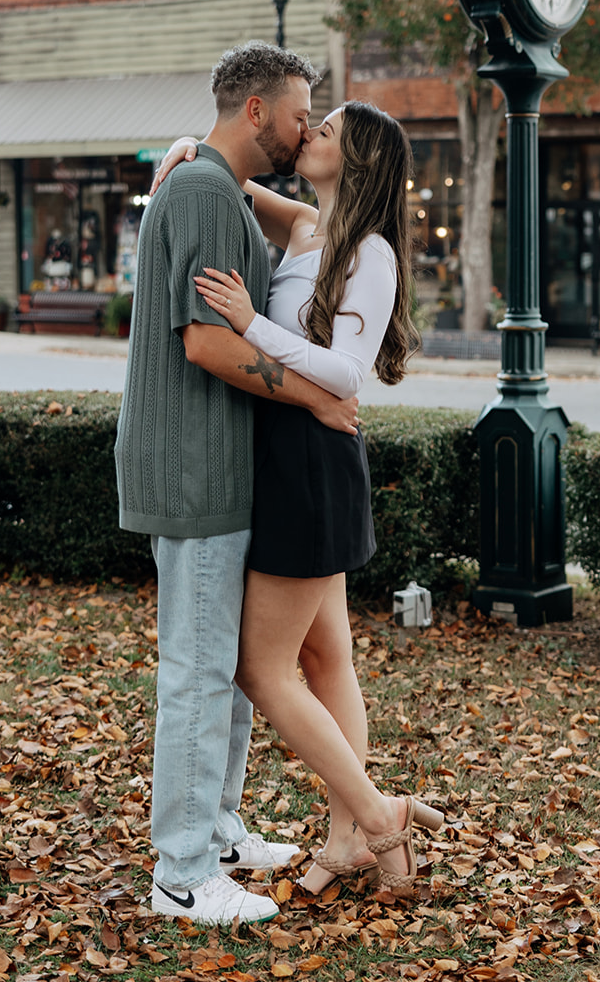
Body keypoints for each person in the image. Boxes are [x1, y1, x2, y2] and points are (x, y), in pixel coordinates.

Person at [156, 100, 444, 899]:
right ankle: (349, 836)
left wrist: (252, 325)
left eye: (326, 130)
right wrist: (190, 143)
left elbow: (347, 374)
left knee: (263, 668)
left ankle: (377, 820)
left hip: (312, 463)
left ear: (354, 163)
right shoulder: (311, 226)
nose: (309, 132)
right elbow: (238, 182)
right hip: (292, 454)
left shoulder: (371, 253)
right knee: (325, 659)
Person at [114, 43, 363, 929]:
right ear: (256, 111)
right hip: (195, 470)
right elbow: (209, 343)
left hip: (218, 465)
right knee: (197, 670)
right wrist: (318, 398)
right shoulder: (205, 193)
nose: (307, 127)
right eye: (300, 111)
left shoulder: (212, 188)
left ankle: (214, 831)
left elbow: (308, 220)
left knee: (220, 667)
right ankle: (182, 872)